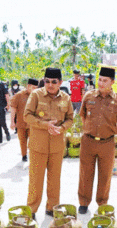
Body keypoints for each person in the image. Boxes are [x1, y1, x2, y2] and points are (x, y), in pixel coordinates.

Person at [78, 67, 117, 214]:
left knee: (105, 175)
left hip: (107, 142)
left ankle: (102, 203)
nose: (101, 83)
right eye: (99, 79)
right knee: (85, 173)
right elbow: (82, 116)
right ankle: (84, 202)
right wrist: (89, 129)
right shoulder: (88, 96)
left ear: (112, 82)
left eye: (105, 80)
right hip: (88, 141)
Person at [24, 67, 74, 218]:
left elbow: (70, 118)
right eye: (47, 81)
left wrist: (63, 127)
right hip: (38, 145)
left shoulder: (66, 98)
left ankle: (52, 207)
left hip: (57, 146)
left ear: (60, 82)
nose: (50, 85)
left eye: (54, 82)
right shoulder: (36, 95)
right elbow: (26, 115)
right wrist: (46, 125)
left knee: (54, 180)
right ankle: (31, 209)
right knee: (36, 179)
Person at [10, 78, 39, 162]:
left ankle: (32, 155)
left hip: (33, 123)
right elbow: (13, 108)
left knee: (33, 140)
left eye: (36, 87)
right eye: (34, 87)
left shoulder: (37, 95)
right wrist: (12, 122)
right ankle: (24, 155)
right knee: (22, 140)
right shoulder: (19, 95)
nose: (35, 89)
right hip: (21, 123)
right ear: (28, 86)